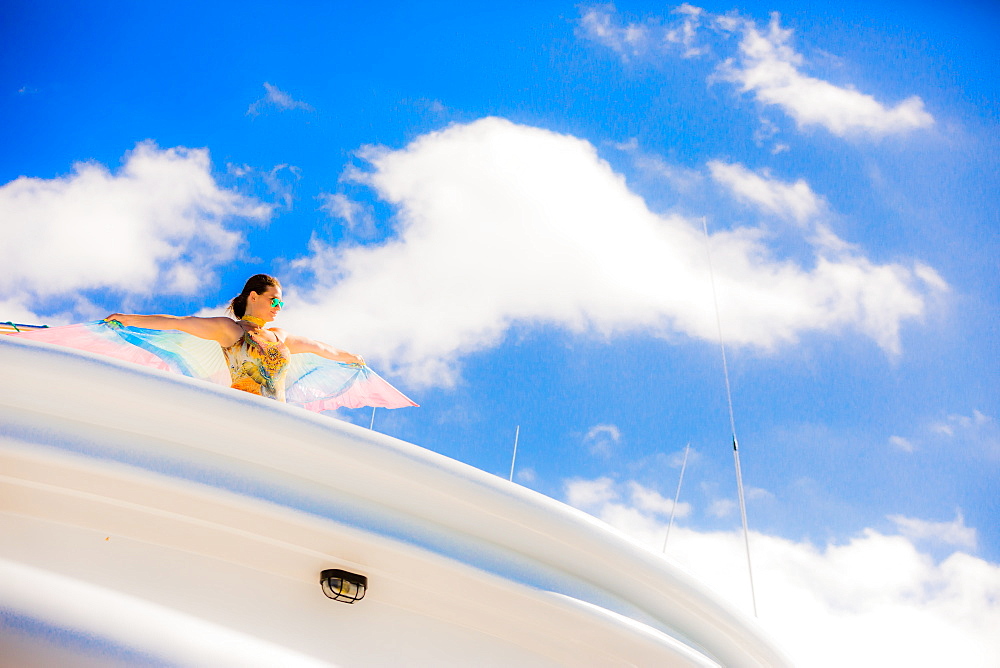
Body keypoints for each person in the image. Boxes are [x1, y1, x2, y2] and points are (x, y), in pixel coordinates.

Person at [107, 274, 364, 403]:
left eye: (281, 302)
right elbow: (179, 323)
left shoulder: (279, 336)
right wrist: (129, 319)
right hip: (243, 409)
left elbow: (318, 347)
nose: (279, 306)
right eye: (273, 300)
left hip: (279, 416)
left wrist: (350, 357)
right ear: (253, 297)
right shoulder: (230, 330)